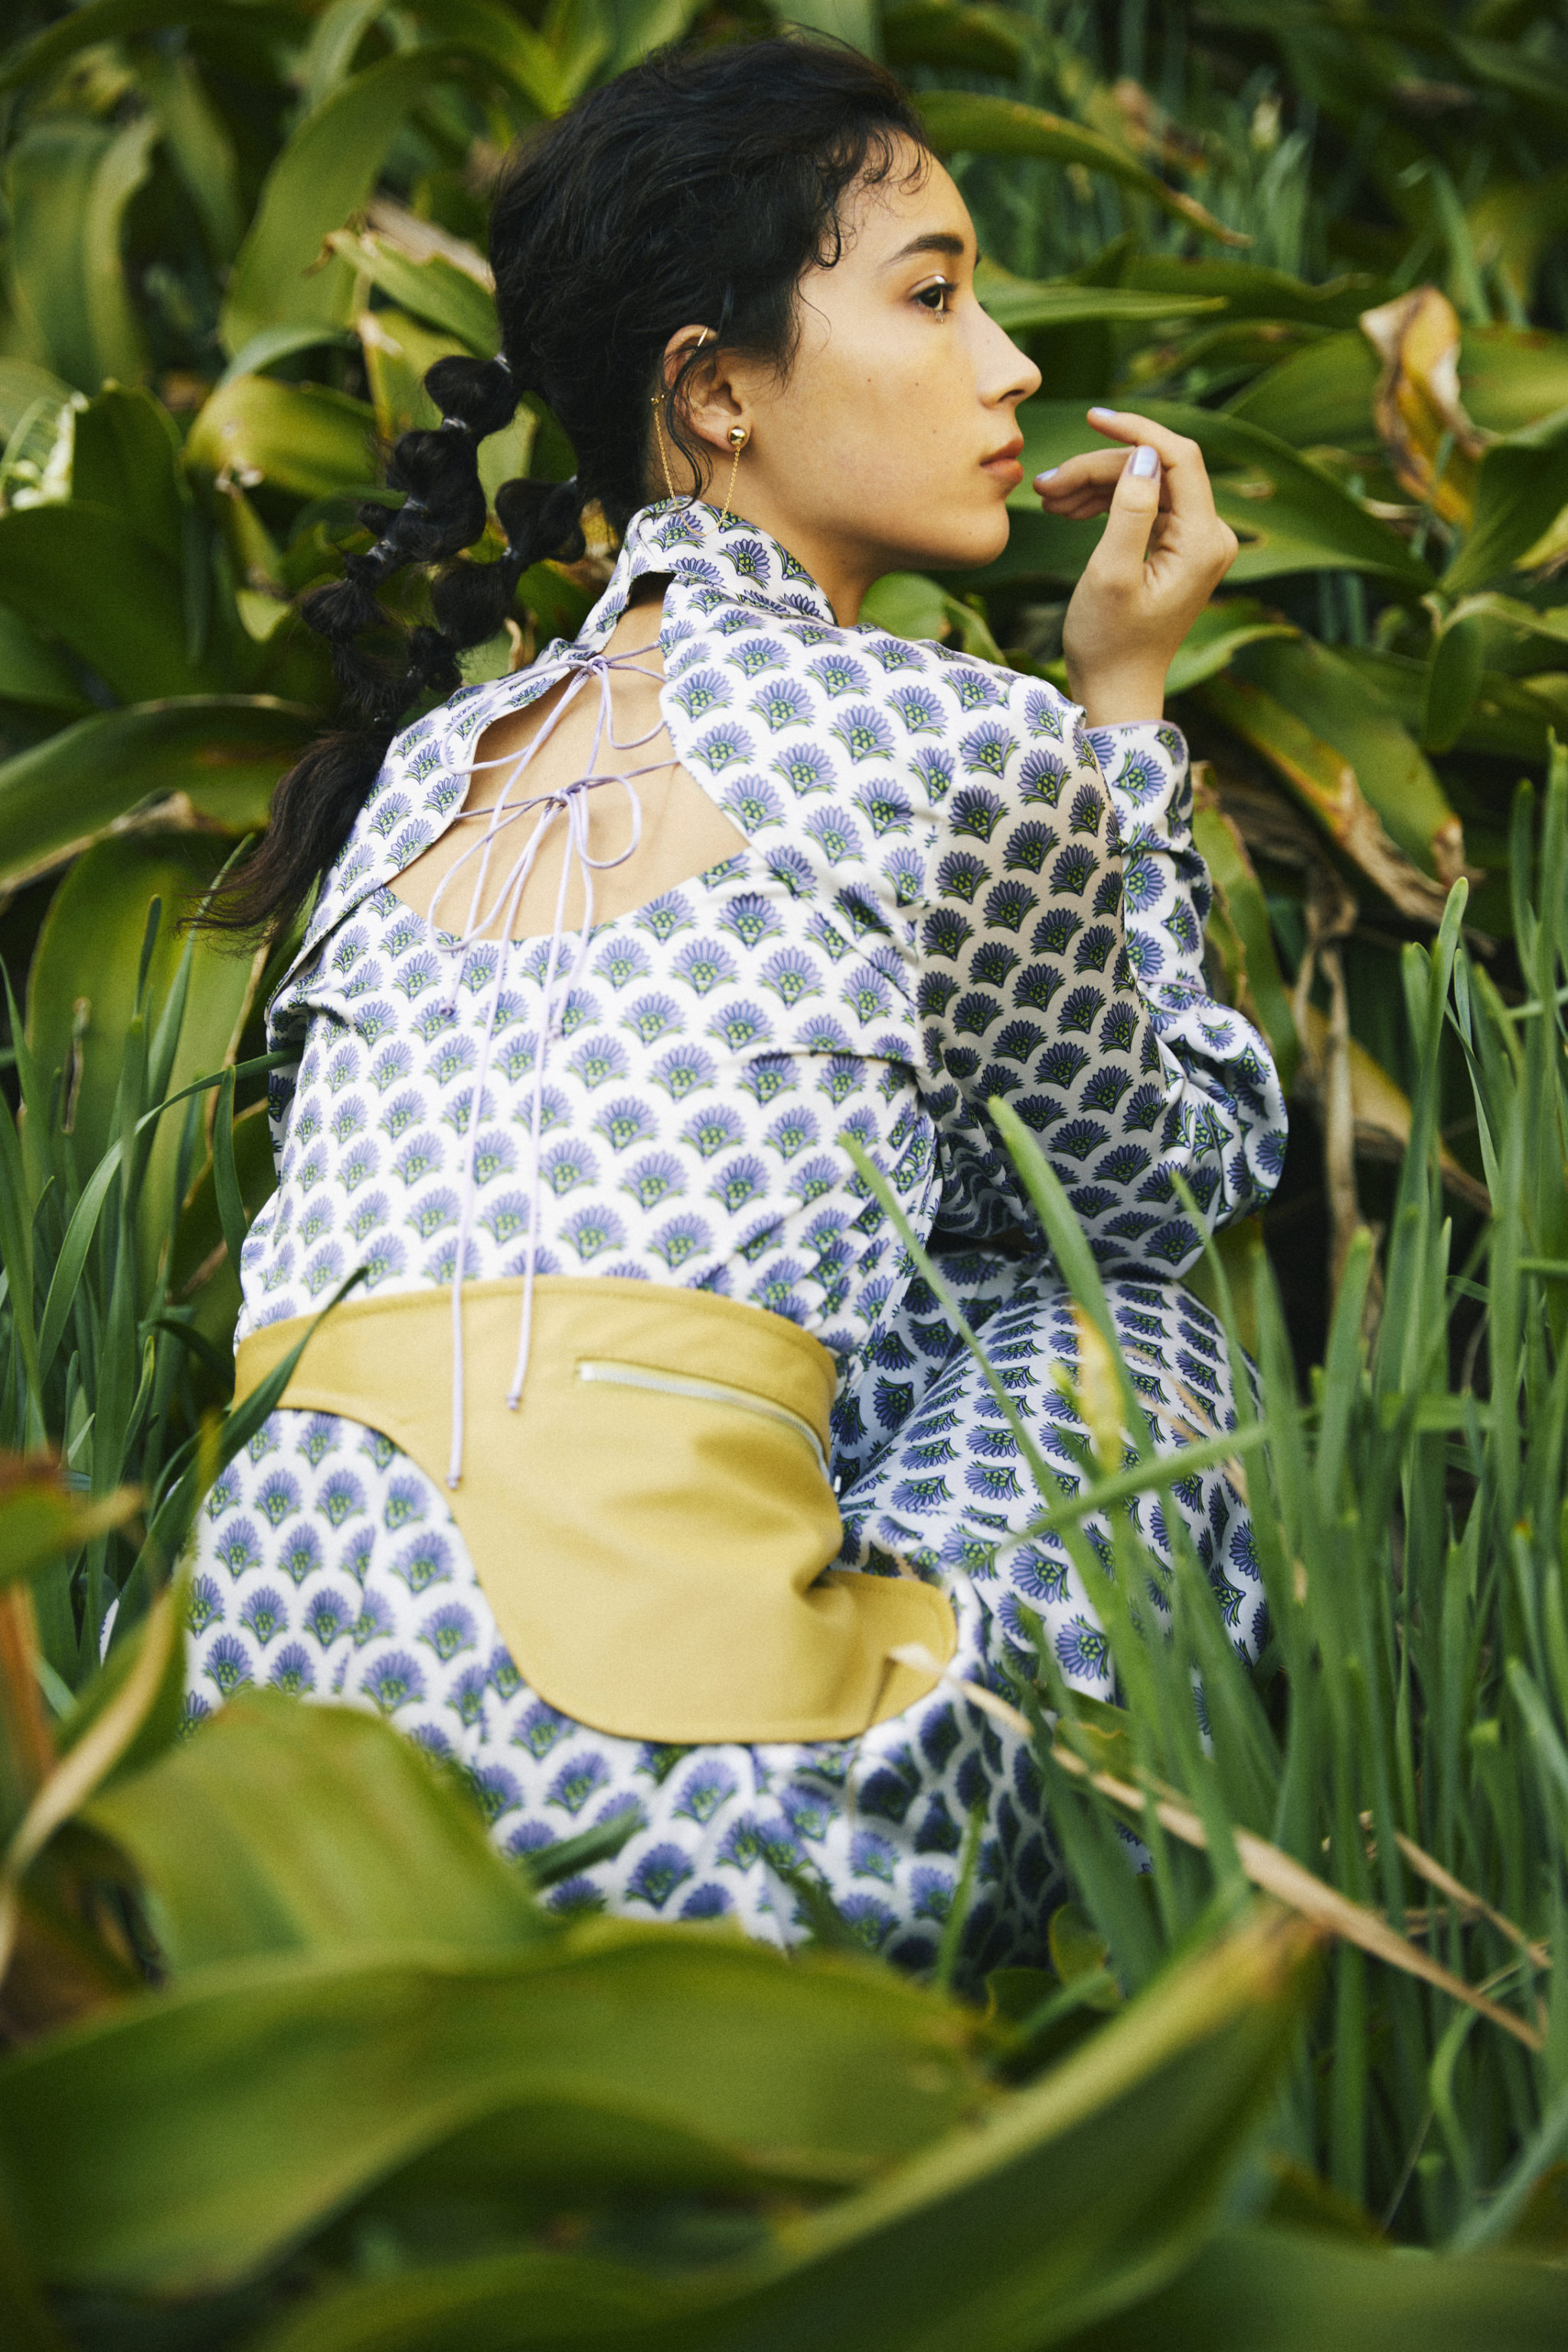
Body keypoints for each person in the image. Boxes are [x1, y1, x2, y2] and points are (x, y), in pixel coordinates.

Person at [188, 38, 1286, 1978]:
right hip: (701, 1841)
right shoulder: (953, 736)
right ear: (713, 390)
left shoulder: (424, 766)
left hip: (248, 1812)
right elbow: (1150, 1188)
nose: (1008, 366)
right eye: (933, 296)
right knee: (1126, 1333)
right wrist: (1122, 707)